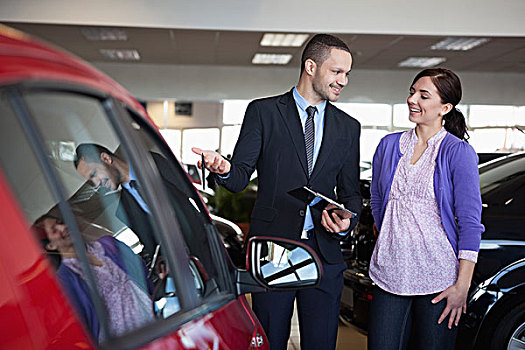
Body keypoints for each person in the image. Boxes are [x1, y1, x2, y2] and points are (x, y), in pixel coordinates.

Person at [193, 34, 362, 350]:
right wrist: (223, 168)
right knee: (270, 342)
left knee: (321, 343)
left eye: (347, 74)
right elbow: (240, 177)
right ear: (310, 67)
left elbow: (351, 193)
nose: (343, 81)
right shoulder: (264, 112)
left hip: (324, 256)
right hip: (273, 251)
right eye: (337, 72)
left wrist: (347, 220)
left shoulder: (348, 127)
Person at [367, 68, 484, 349]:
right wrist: (392, 239)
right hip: (389, 274)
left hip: (439, 279)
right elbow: (378, 200)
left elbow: (470, 222)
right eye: (411, 92)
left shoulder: (457, 152)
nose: (412, 99)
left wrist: (461, 287)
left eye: (423, 95)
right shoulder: (388, 145)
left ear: (445, 107)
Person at [32, 215, 154, 343]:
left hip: (155, 324)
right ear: (51, 246)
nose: (63, 227)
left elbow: (144, 274)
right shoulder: (65, 278)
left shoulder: (109, 244)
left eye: (61, 222)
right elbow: (81, 324)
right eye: (54, 230)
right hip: (122, 343)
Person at [74, 144, 158, 260]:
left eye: (94, 174)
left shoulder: (154, 163)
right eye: (91, 181)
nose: (97, 184)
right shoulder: (123, 212)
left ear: (106, 159)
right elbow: (154, 247)